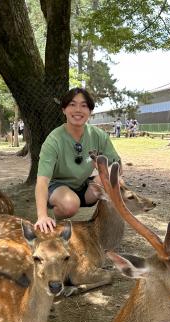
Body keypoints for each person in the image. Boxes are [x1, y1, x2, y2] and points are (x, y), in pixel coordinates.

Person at [35, 87, 121, 233]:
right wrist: (41, 216)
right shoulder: (53, 140)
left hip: (84, 186)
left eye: (84, 105)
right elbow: (42, 181)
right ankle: (56, 224)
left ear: (90, 111)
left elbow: (117, 166)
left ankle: (103, 226)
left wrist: (104, 169)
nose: (78, 110)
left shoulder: (98, 136)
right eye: (72, 105)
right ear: (63, 109)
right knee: (69, 205)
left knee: (117, 182)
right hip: (58, 187)